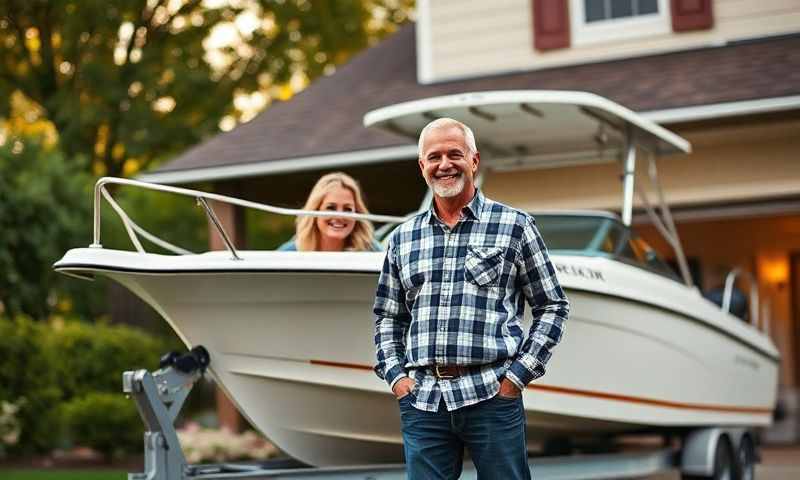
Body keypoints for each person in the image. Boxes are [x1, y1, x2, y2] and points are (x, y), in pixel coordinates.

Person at [373, 118, 570, 479]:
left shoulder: (515, 225)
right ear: (422, 166)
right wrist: (397, 377)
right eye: (434, 157)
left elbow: (552, 306)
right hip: (423, 400)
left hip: (492, 395)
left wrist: (516, 377)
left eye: (454, 154)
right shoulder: (402, 238)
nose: (444, 164)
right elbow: (389, 316)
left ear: (474, 161)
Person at [278, 172, 379, 252]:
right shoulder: (288, 254)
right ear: (315, 210)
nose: (339, 216)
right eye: (331, 208)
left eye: (348, 209)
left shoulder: (374, 253)